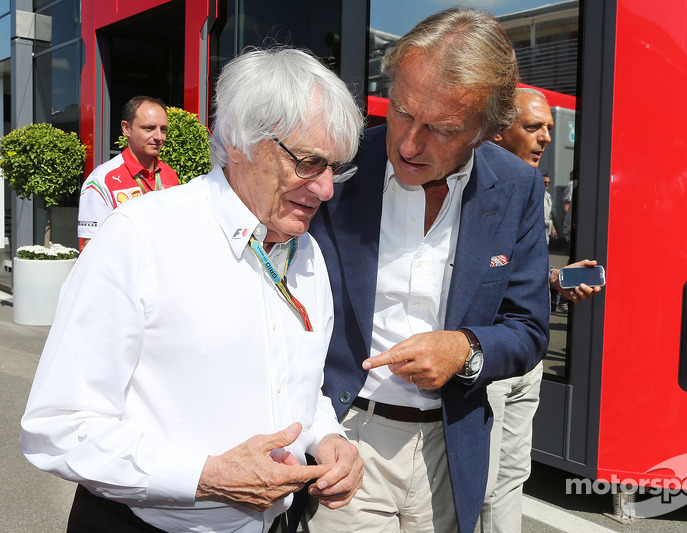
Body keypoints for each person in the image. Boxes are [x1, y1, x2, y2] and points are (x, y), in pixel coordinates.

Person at [20, 47, 365, 533]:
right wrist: (206, 477)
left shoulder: (306, 252)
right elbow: (58, 428)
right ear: (244, 142)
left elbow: (298, 386)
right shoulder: (140, 237)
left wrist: (328, 437)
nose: (326, 189)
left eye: (335, 167)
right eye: (309, 163)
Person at [299, 8, 550, 533]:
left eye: (441, 129)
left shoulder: (518, 188)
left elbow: (527, 328)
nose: (408, 144)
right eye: (401, 112)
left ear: (484, 130)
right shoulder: (339, 167)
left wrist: (466, 349)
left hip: (450, 445)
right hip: (346, 437)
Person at [485, 87, 602, 533]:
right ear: (498, 132)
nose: (546, 139)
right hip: (490, 361)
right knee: (482, 482)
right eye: (533, 127)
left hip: (526, 363)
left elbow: (512, 275)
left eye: (549, 129)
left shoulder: (532, 189)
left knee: (512, 478)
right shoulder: (478, 189)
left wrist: (554, 280)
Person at [77, 96, 180, 252]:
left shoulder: (170, 174)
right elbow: (91, 247)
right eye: (149, 128)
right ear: (126, 128)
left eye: (163, 129)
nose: (159, 137)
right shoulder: (101, 179)